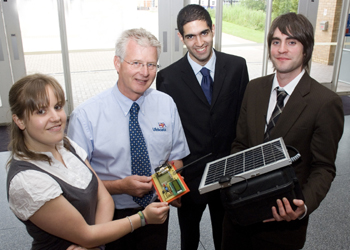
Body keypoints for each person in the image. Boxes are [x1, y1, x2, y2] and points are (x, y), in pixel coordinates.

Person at [222, 12, 344, 250]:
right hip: (239, 218)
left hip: (283, 225)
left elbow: (323, 167)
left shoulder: (325, 102)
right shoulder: (254, 88)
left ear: (306, 49)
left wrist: (303, 206)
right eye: (276, 42)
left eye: (292, 42)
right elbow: (241, 144)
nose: (282, 49)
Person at [6, 73, 170, 250]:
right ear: (19, 121)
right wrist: (142, 218)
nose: (56, 117)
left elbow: (105, 199)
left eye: (58, 106)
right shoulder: (27, 181)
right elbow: (85, 234)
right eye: (41, 111)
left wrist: (92, 243)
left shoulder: (67, 146)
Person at [67, 28, 190, 250]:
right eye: (136, 63)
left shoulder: (166, 104)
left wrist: (170, 191)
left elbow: (176, 158)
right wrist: (119, 186)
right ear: (117, 63)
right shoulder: (86, 116)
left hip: (156, 210)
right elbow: (75, 185)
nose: (144, 72)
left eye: (151, 64)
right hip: (107, 215)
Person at [156, 4, 249, 250]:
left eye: (204, 33)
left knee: (226, 236)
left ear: (213, 30)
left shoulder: (237, 67)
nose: (199, 42)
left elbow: (244, 121)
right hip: (189, 178)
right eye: (190, 36)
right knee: (188, 239)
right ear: (180, 37)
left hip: (229, 173)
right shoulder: (168, 78)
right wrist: (168, 187)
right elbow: (164, 136)